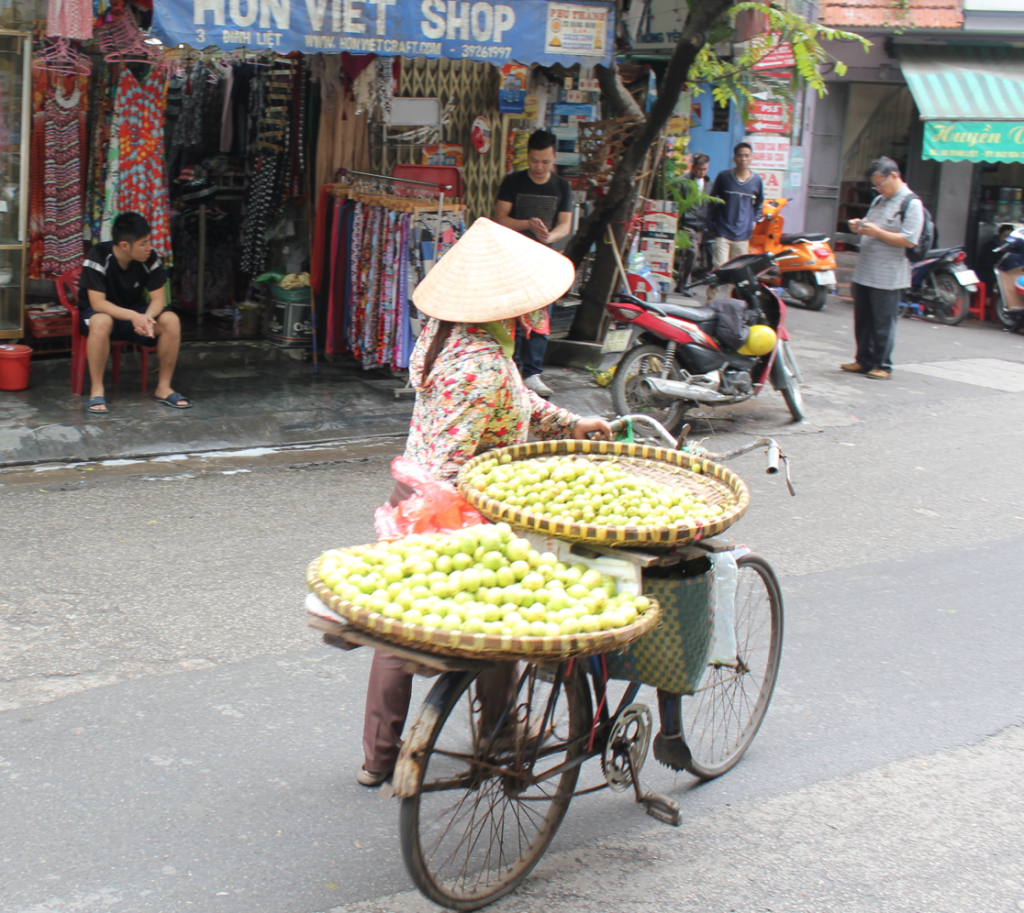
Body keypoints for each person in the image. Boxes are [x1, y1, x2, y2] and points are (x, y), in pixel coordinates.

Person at [359, 217, 612, 787]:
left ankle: (377, 756)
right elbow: (458, 456)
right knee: (499, 615)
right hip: (448, 505)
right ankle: (498, 731)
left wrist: (577, 423)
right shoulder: (484, 364)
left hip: (411, 493)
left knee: (397, 623)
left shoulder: (444, 336)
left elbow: (520, 404)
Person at [79, 213, 191, 413]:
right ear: (124, 245)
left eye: (149, 242)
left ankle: (164, 387)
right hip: (98, 313)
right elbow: (98, 303)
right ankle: (97, 390)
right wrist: (134, 316)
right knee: (102, 321)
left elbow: (158, 299)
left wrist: (146, 318)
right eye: (143, 243)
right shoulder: (99, 254)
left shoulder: (150, 258)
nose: (149, 248)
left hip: (135, 311)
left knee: (171, 320)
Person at [494, 130, 575, 397]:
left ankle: (533, 373)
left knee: (540, 317)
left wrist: (549, 236)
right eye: (534, 161)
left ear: (554, 158)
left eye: (545, 162)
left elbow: (565, 225)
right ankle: (512, 370)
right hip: (512, 256)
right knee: (513, 314)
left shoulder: (562, 186)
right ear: (527, 157)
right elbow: (501, 218)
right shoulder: (513, 181)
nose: (539, 167)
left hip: (544, 258)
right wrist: (527, 224)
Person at [842, 157, 923, 381]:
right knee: (863, 321)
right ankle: (863, 360)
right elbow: (870, 225)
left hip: (889, 276)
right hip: (866, 272)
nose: (878, 188)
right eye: (875, 185)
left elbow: (909, 240)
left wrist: (877, 232)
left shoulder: (911, 204)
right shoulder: (879, 200)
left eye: (881, 183)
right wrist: (859, 225)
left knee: (883, 323)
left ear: (894, 176)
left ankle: (883, 365)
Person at [708, 143, 764, 269]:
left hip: (743, 235)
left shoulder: (756, 181)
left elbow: (759, 203)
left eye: (746, 156)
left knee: (738, 271)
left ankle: (731, 290)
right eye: (740, 155)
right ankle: (714, 290)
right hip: (723, 232)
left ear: (751, 158)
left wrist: (754, 221)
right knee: (719, 270)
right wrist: (711, 224)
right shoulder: (724, 176)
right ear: (734, 158)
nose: (743, 159)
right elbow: (712, 200)